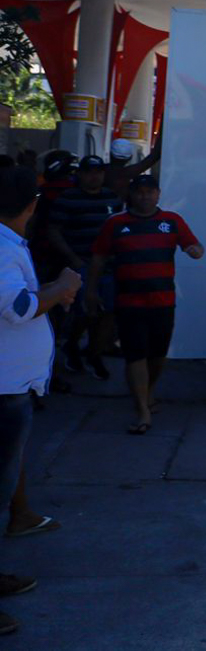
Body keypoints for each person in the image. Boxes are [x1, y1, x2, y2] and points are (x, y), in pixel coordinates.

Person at [0, 166, 81, 638]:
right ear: (32, 205)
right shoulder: (2, 247)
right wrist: (60, 288)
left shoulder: (9, 243)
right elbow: (20, 308)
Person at [87, 174, 202, 434]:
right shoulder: (115, 223)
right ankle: (142, 409)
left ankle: (148, 392)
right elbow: (98, 258)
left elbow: (193, 245)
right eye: (140, 192)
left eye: (150, 192)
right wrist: (91, 291)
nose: (145, 196)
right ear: (132, 194)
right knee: (135, 354)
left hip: (163, 301)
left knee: (158, 354)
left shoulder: (172, 221)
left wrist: (196, 250)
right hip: (129, 302)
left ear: (158, 194)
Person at [41, 155, 122, 379]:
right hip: (81, 265)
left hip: (109, 266)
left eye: (98, 172)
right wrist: (72, 258)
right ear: (80, 174)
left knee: (109, 313)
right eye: (89, 172)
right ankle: (73, 345)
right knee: (86, 311)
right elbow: (53, 230)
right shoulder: (67, 198)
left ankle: (95, 353)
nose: (94, 176)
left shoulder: (112, 198)